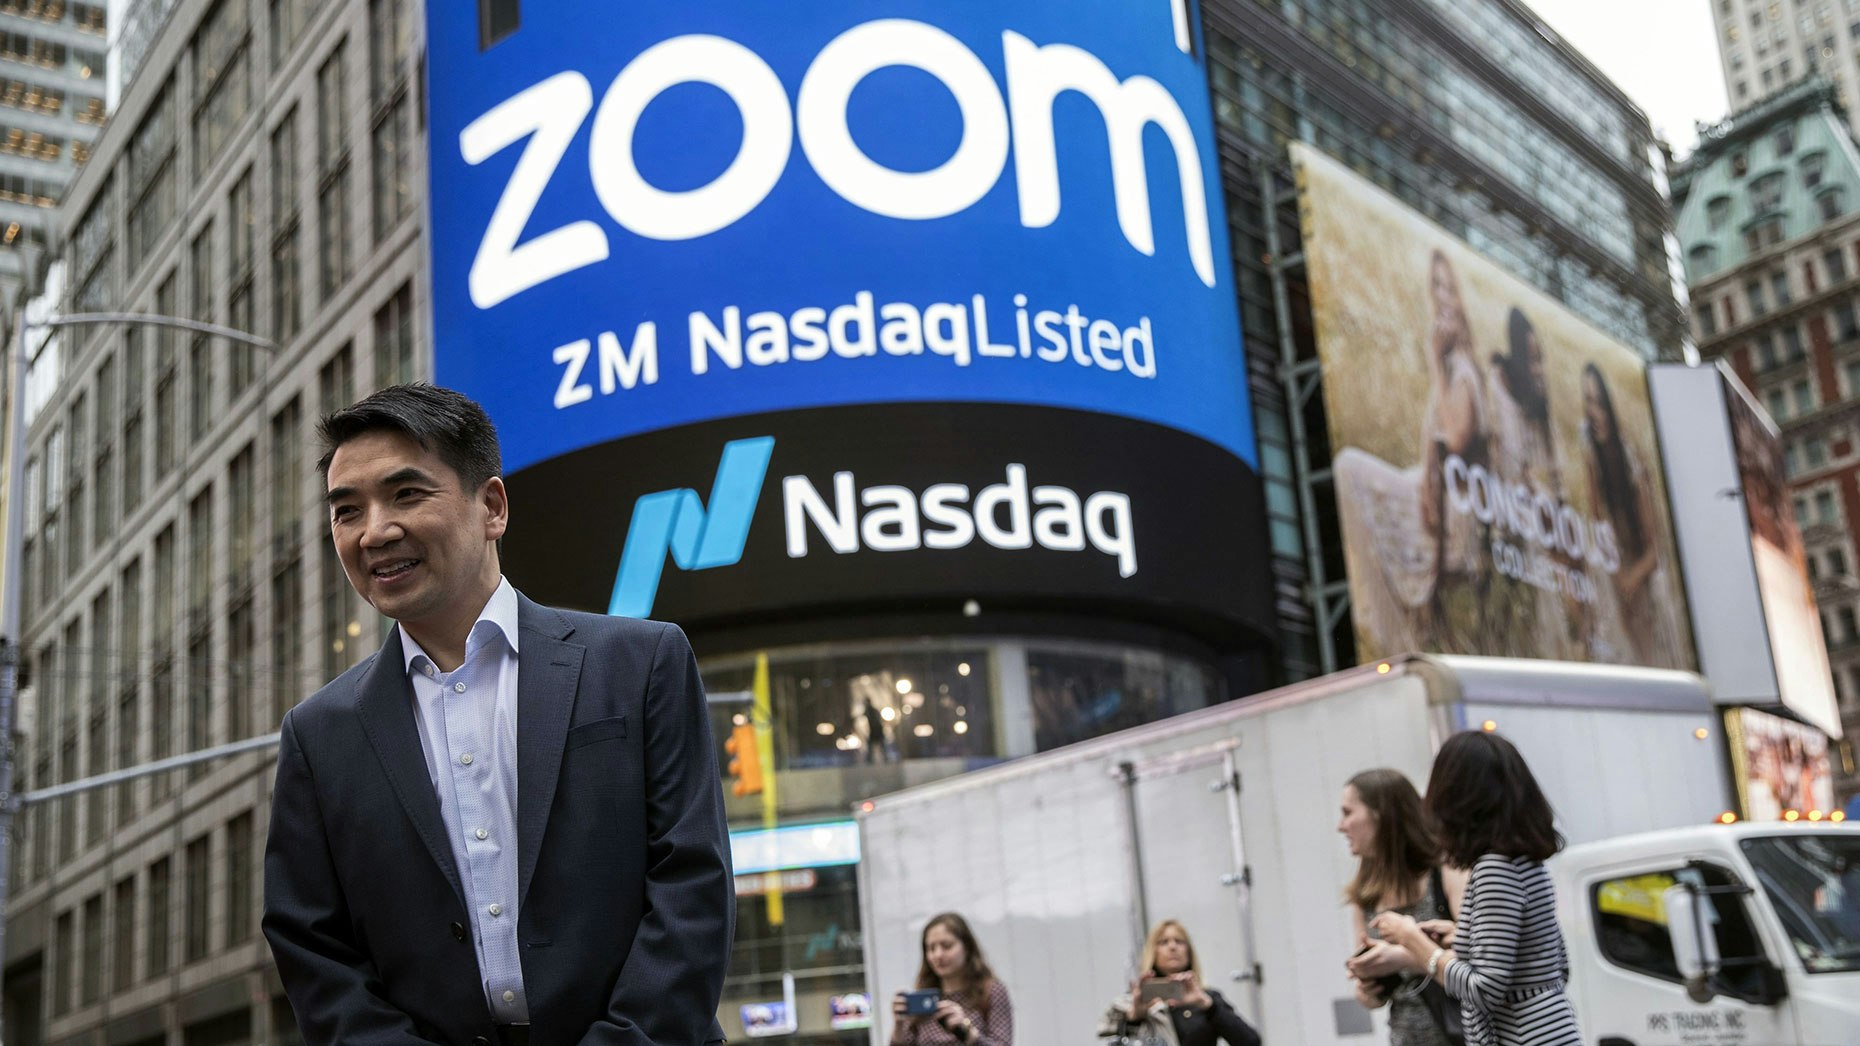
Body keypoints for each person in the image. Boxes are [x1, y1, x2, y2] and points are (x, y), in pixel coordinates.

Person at [262, 384, 734, 1046]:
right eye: (347, 511)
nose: (375, 531)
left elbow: (692, 890)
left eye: (406, 494)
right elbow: (314, 948)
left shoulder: (640, 664)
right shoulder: (318, 735)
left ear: (491, 506)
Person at [1373, 732, 1581, 1046]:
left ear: (1455, 798)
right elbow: (1552, 961)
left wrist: (1412, 939)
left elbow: (1484, 990)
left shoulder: (1494, 870)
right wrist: (1462, 935)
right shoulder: (1525, 863)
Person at [1338, 770, 1467, 1045]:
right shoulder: (1365, 894)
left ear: (1381, 814)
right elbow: (1369, 999)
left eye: (1348, 813)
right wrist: (1369, 987)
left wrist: (1404, 957)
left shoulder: (1446, 873)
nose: (1341, 825)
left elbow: (1483, 960)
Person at [1579, 363, 1680, 666]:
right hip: (1617, 575)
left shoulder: (1633, 463)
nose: (1593, 412)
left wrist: (1630, 579)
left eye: (1598, 402)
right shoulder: (1588, 444)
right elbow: (1597, 522)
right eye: (1587, 402)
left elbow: (1655, 550)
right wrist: (1615, 575)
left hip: (1647, 584)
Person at [1415, 250, 1491, 654]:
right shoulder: (1451, 361)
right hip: (1436, 499)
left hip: (1458, 519)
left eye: (1451, 288)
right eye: (1436, 287)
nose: (1443, 297)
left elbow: (1456, 437)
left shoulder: (1462, 366)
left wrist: (1432, 359)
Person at [1101, 920, 1261, 1046]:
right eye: (1163, 942)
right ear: (1152, 952)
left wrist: (1207, 1005)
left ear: (1189, 952)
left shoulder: (1207, 998)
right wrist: (1135, 1017)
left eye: (1179, 941)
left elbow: (1251, 1042)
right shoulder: (1133, 1002)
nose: (1172, 947)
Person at [890, 913, 1013, 1046]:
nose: (938, 955)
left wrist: (967, 1032)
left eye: (947, 946)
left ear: (966, 947)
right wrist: (898, 1025)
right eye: (931, 948)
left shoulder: (992, 992)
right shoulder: (923, 998)